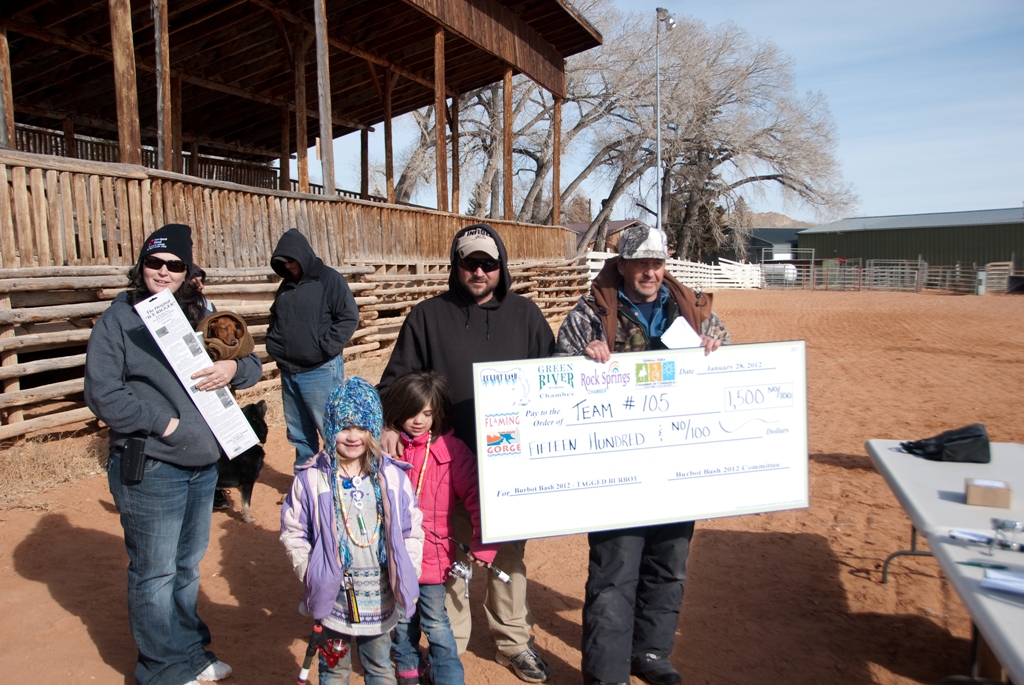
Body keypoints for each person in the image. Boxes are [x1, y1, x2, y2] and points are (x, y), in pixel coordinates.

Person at [84, 223, 263, 685]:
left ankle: (189, 654)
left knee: (186, 566)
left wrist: (232, 367)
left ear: (188, 271)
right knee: (155, 571)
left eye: (174, 265)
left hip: (202, 465)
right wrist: (163, 424)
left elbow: (251, 363)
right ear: (141, 266)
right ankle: (160, 668)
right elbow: (103, 393)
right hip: (153, 465)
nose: (163, 272)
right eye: (154, 263)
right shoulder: (119, 320)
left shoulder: (202, 313)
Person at [378, 224, 556, 683]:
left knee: (508, 557)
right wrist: (389, 423)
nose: (478, 271)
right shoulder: (426, 317)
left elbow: (555, 384)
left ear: (501, 266)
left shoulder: (527, 317)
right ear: (455, 265)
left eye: (488, 263)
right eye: (469, 263)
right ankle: (449, 647)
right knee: (450, 556)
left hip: (509, 466)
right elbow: (395, 382)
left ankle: (513, 641)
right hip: (444, 464)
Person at [555, 225, 730, 685]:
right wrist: (580, 356)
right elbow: (554, 379)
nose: (649, 271)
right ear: (623, 263)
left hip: (678, 468)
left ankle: (651, 653)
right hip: (617, 472)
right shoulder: (591, 313)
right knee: (614, 572)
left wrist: (716, 350)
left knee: (668, 564)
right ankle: (607, 672)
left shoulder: (693, 311)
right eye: (640, 263)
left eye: (657, 262)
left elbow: (727, 369)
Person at [280, 377, 423, 685]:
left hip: (380, 599)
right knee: (333, 669)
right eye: (344, 427)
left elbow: (411, 528)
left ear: (373, 429)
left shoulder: (391, 478)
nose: (353, 436)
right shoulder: (312, 479)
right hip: (334, 601)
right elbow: (294, 531)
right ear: (331, 429)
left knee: (380, 666)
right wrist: (311, 572)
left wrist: (408, 567)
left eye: (361, 427)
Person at [382, 371, 499, 685]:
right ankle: (408, 671)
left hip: (432, 561)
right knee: (402, 622)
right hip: (393, 560)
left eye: (427, 413)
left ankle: (448, 675)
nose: (419, 420)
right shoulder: (386, 451)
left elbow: (479, 496)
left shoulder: (452, 452)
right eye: (411, 412)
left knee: (436, 622)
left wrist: (484, 544)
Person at [266, 228, 360, 472]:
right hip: (289, 371)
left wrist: (324, 348)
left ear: (303, 255)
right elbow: (277, 318)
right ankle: (305, 481)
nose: (288, 266)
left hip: (320, 370)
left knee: (331, 428)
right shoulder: (286, 285)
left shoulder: (329, 280)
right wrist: (274, 345)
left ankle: (339, 480)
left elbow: (349, 317)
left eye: (291, 260)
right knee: (298, 432)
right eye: (282, 262)